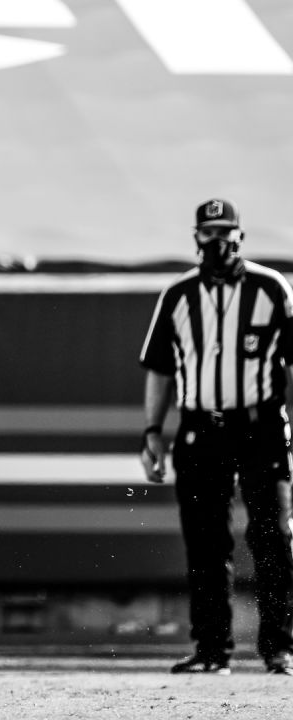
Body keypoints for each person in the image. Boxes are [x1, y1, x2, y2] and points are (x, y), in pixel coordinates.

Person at [139, 198, 293, 676]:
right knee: (206, 543)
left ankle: (279, 648)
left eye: (226, 232)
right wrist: (152, 432)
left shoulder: (271, 288)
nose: (218, 242)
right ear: (196, 238)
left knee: (273, 539)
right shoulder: (179, 295)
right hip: (200, 429)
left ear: (240, 237)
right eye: (209, 233)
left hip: (261, 425)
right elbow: (160, 370)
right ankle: (211, 649)